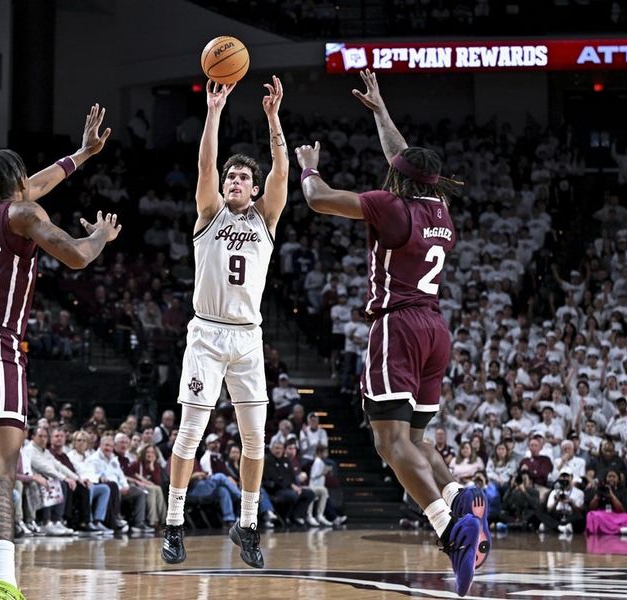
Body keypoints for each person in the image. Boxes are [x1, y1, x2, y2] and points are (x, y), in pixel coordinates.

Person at [295, 68, 481, 596]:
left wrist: (310, 170)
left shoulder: (389, 205)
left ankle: (451, 527)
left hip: (397, 325)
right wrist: (381, 112)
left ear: (398, 178)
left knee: (388, 442)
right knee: (417, 441)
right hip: (435, 329)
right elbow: (403, 158)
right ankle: (460, 497)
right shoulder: (439, 207)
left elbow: (320, 200)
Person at [0, 103, 118, 600]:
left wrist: (81, 154)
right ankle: (4, 583)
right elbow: (76, 255)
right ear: (16, 182)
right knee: (2, 471)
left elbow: (35, 187)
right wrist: (99, 235)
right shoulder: (22, 212)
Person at [161, 75, 288, 570]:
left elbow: (281, 173)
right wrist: (214, 112)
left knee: (256, 437)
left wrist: (274, 117)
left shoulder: (265, 218)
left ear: (253, 190)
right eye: (230, 177)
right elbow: (204, 165)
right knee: (190, 432)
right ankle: (173, 524)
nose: (233, 182)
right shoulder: (209, 212)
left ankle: (249, 524)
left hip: (248, 338)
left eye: (241, 179)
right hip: (207, 335)